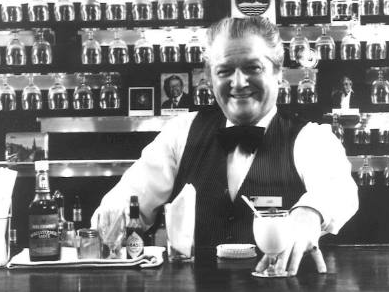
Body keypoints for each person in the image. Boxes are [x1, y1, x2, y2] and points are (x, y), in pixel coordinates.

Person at [92, 16, 358, 276]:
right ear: (209, 77)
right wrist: (112, 220)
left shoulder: (310, 138)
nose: (239, 83)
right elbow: (127, 200)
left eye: (253, 68)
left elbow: (338, 189)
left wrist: (308, 215)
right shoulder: (181, 132)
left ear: (279, 73)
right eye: (225, 71)